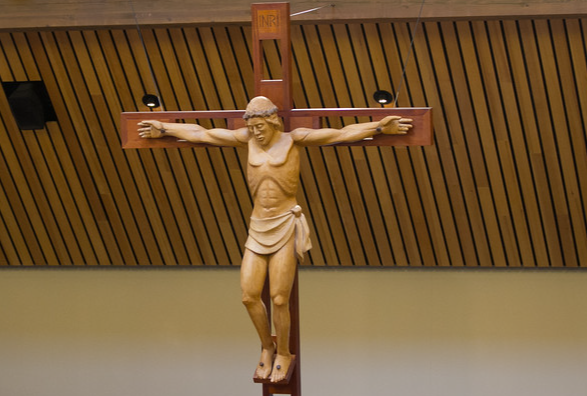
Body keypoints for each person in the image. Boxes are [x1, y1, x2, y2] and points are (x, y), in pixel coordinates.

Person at [138, 96, 412, 382]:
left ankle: (283, 351)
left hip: (284, 224)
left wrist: (380, 127)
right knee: (248, 296)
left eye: (260, 126)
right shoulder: (246, 140)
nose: (256, 132)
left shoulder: (295, 139)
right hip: (257, 226)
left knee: (279, 298)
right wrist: (165, 128)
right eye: (252, 126)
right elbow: (202, 133)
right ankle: (266, 347)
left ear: (273, 122)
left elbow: (341, 133)